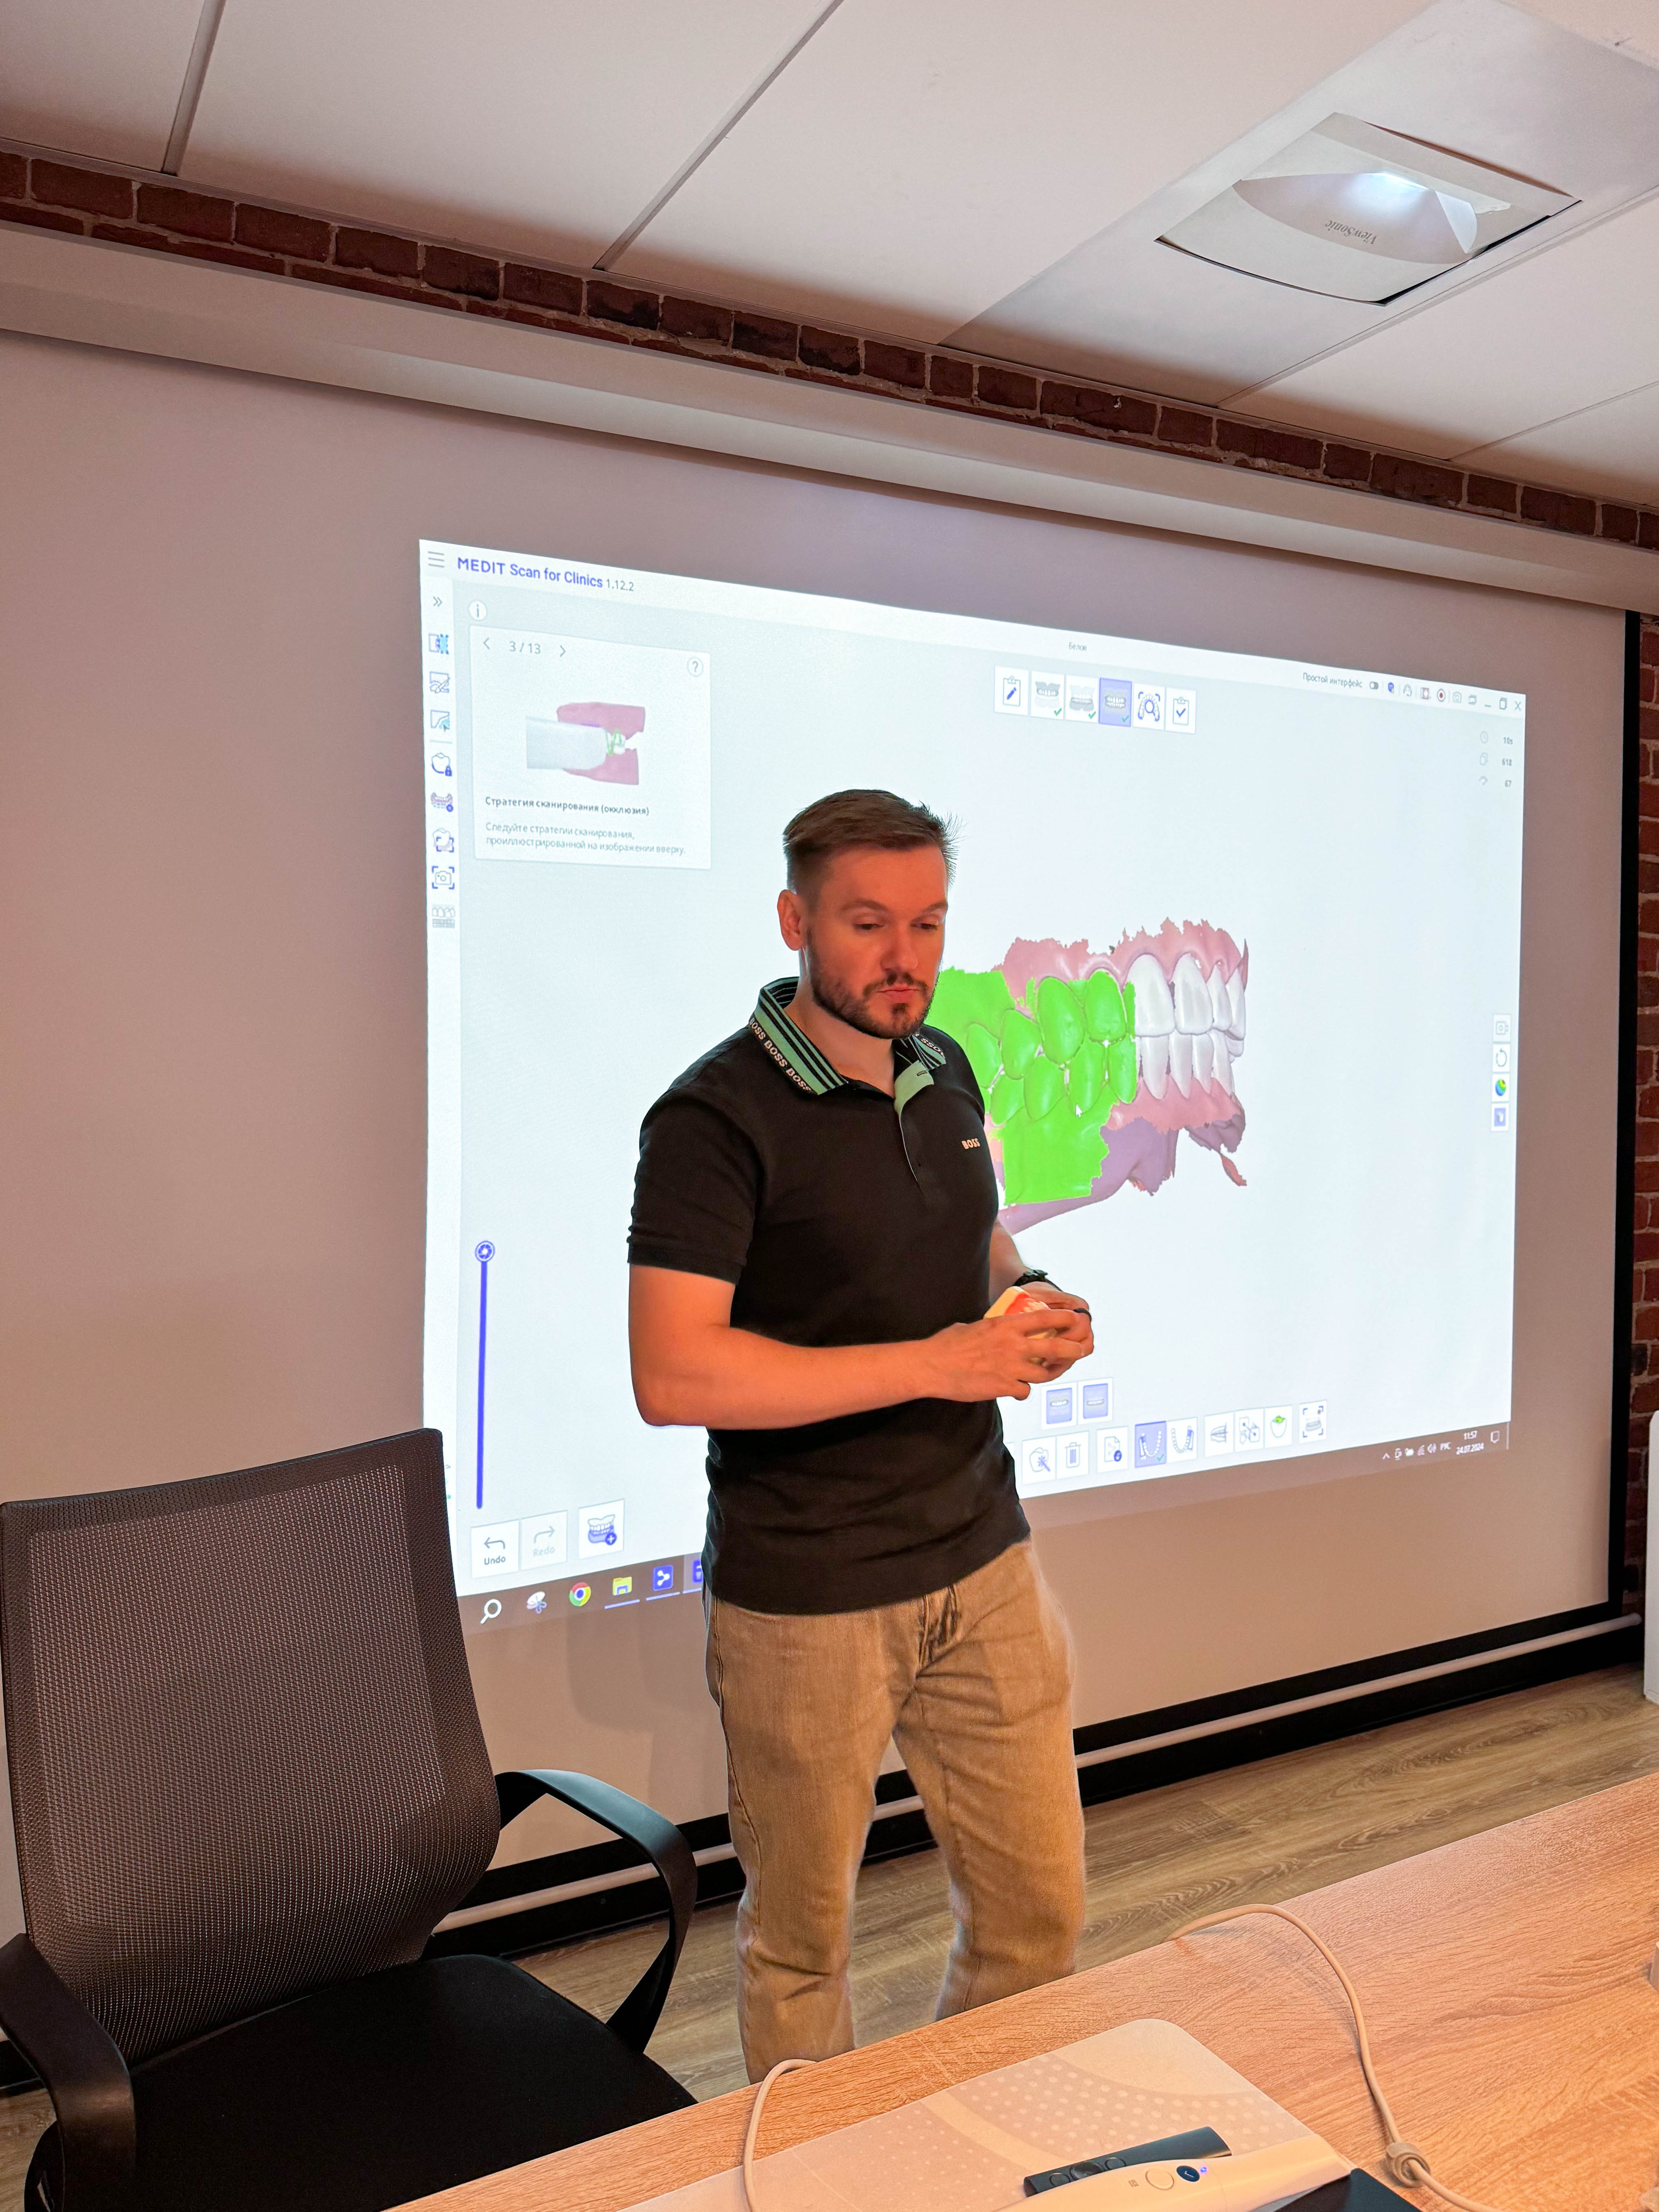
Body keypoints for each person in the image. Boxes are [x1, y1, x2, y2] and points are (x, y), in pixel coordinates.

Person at [627, 787, 1091, 2078]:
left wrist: (1029, 1293)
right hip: (808, 1597)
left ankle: (962, 2139)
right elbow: (672, 1371)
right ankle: (818, 2167)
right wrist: (941, 1363)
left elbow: (973, 1235)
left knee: (1038, 1913)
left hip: (983, 1556)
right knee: (800, 1950)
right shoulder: (710, 1120)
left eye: (928, 923)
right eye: (869, 922)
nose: (905, 957)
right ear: (795, 920)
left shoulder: (944, 1066)